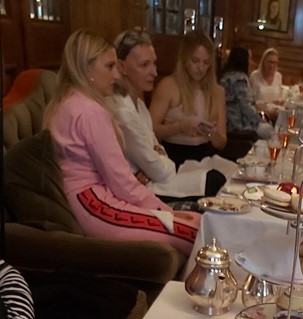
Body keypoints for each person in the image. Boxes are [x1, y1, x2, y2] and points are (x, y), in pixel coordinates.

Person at [45, 29, 199, 257]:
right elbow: (121, 182)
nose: (117, 75)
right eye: (109, 67)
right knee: (193, 230)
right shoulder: (89, 110)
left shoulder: (67, 102)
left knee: (197, 221)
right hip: (93, 204)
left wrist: (165, 211)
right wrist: (166, 211)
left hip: (91, 199)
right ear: (87, 69)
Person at [109, 28, 227, 200]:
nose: (154, 72)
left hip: (162, 170)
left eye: (154, 63)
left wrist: (157, 156)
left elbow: (157, 149)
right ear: (122, 67)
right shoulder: (123, 112)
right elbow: (161, 167)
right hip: (146, 185)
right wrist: (162, 153)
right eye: (144, 65)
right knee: (214, 180)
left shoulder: (140, 106)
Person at [149, 32, 227, 169]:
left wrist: (212, 134)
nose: (201, 68)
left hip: (206, 156)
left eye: (206, 62)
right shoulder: (169, 86)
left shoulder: (217, 92)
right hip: (175, 156)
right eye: (195, 61)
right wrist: (179, 127)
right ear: (185, 60)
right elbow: (149, 131)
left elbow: (222, 142)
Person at [220, 46, 271, 148]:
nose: (251, 62)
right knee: (270, 131)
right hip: (237, 125)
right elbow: (246, 107)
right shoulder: (240, 79)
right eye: (249, 58)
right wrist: (259, 119)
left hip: (227, 123)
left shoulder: (226, 76)